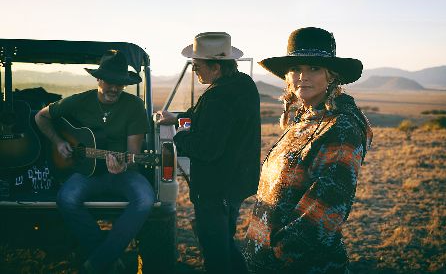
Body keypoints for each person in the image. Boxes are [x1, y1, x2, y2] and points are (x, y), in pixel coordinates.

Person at [243, 27, 373, 273]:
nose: (303, 76)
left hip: (302, 265)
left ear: (331, 76)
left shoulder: (341, 126)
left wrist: (278, 253)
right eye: (295, 69)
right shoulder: (306, 118)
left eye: (314, 68)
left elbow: (326, 207)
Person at [34, 50, 154, 273]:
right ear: (98, 79)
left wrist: (124, 165)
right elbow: (40, 116)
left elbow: (133, 154)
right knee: (66, 198)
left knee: (146, 199)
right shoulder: (80, 101)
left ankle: (97, 263)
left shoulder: (134, 106)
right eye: (109, 81)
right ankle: (109, 258)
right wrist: (59, 142)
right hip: (87, 173)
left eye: (120, 83)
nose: (115, 88)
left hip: (123, 173)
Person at [157, 32, 261, 274]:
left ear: (215, 67)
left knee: (215, 248)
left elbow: (206, 149)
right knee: (224, 240)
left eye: (197, 66)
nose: (195, 71)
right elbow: (208, 118)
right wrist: (180, 117)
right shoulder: (243, 84)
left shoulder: (218, 96)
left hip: (215, 187)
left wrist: (176, 134)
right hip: (235, 181)